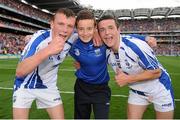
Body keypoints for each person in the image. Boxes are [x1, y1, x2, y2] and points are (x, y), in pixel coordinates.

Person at [68, 9, 157, 119]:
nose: (85, 33)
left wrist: (145, 38)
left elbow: (123, 38)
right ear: (76, 29)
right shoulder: (72, 44)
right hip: (81, 88)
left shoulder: (103, 40)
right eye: (81, 29)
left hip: (101, 89)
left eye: (89, 28)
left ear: (95, 28)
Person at [97, 14, 174, 119]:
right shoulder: (105, 51)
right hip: (137, 90)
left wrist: (128, 79)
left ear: (118, 30)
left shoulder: (136, 46)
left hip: (160, 89)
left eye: (110, 28)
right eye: (102, 30)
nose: (107, 33)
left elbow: (157, 72)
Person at [13, 8, 76, 119]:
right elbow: (20, 71)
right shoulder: (39, 39)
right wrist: (48, 50)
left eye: (70, 26)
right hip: (24, 85)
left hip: (48, 86)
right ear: (52, 24)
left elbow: (88, 31)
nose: (65, 30)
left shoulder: (72, 37)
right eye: (61, 24)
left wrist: (95, 34)